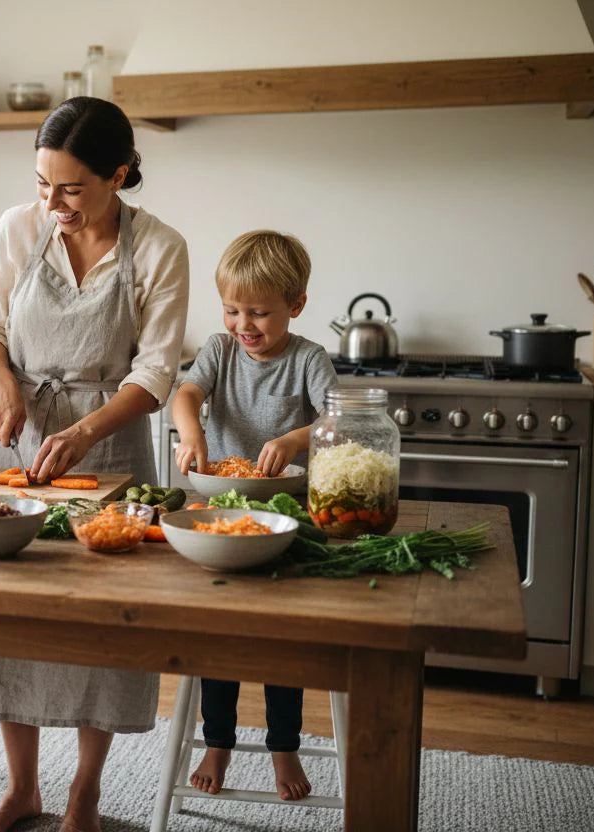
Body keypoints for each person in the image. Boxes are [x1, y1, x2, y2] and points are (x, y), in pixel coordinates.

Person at [0, 97, 190, 832]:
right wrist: (2, 387)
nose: (52, 203)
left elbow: (155, 374)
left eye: (70, 188)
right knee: (6, 612)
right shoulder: (18, 228)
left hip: (112, 445)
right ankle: (21, 787)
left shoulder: (158, 248)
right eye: (40, 183)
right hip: (17, 437)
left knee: (103, 623)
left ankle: (84, 791)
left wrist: (87, 430)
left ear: (119, 175)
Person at [171, 229, 337, 801]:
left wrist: (293, 441)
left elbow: (331, 421)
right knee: (219, 639)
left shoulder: (309, 359)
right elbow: (186, 396)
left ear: (296, 307)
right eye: (233, 309)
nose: (245, 325)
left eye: (260, 313)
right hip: (220, 516)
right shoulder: (219, 350)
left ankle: (282, 745)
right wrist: (190, 432)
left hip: (289, 519)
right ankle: (217, 741)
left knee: (279, 642)